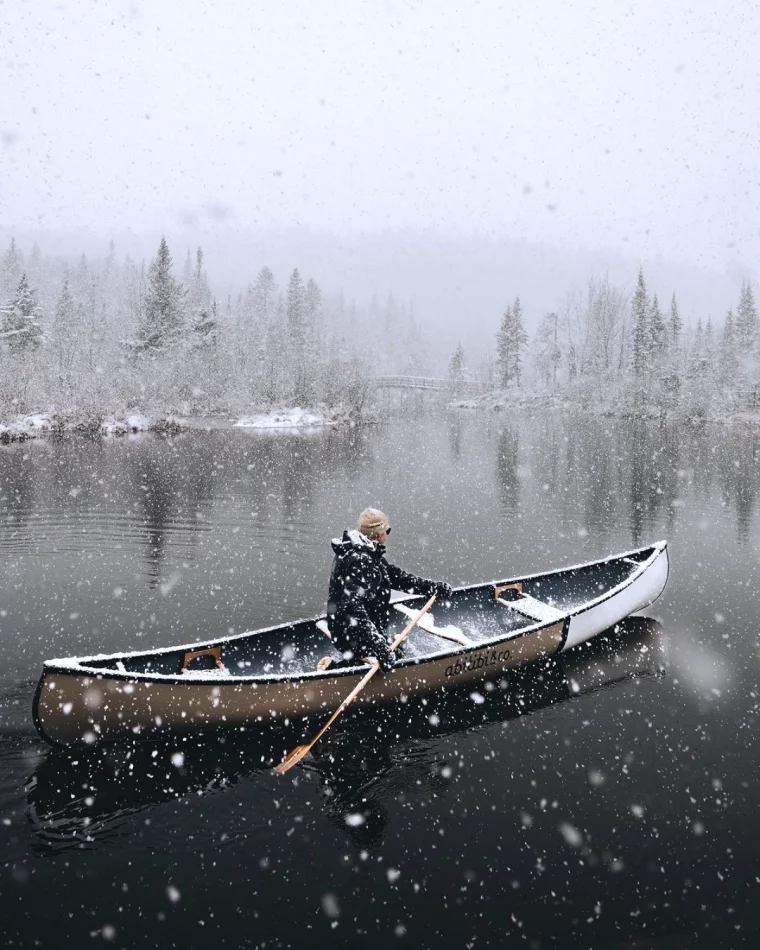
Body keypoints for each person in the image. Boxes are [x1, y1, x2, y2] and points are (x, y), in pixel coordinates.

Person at [327, 508, 453, 671]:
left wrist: (432, 587)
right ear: (379, 534)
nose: (387, 534)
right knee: (397, 655)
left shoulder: (357, 551)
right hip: (352, 636)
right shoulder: (363, 561)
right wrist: (378, 644)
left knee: (394, 647)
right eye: (387, 530)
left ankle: (351, 661)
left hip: (342, 629)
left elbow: (396, 577)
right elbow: (352, 607)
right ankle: (340, 668)